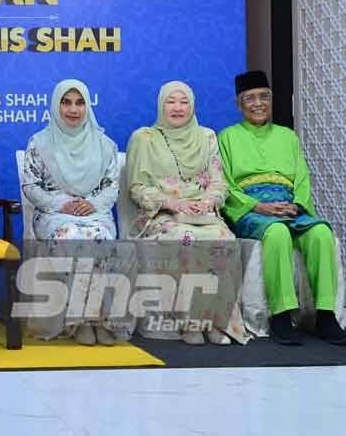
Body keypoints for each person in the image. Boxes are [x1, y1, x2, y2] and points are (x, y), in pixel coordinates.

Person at [219, 70, 346, 345]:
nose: (258, 104)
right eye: (249, 98)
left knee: (322, 234)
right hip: (253, 210)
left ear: (271, 100)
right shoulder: (227, 137)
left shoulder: (288, 136)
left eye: (263, 97)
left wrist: (297, 206)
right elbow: (225, 184)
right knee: (277, 233)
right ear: (239, 104)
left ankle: (325, 316)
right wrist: (258, 206)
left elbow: (301, 178)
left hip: (290, 205)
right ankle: (281, 315)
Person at [123, 81, 247, 345]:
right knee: (186, 239)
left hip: (204, 214)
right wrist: (173, 203)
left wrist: (208, 201)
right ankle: (192, 323)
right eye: (171, 101)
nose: (178, 108)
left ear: (192, 106)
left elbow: (219, 182)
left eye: (184, 102)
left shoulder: (207, 137)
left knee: (224, 241)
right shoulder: (144, 138)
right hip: (163, 216)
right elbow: (137, 187)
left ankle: (217, 322)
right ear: (161, 104)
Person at [21, 79, 120, 345]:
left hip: (94, 213)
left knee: (100, 239)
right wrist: (61, 203)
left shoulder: (104, 144)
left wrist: (94, 204)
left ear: (88, 106)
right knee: (71, 237)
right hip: (54, 214)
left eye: (79, 103)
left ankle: (100, 318)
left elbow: (112, 186)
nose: (73, 109)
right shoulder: (39, 143)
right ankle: (82, 321)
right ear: (56, 105)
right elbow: (30, 185)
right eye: (66, 102)